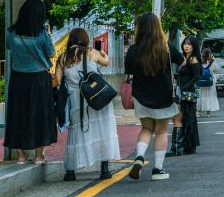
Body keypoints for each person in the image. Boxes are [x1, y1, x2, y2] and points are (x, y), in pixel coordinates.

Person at [55, 28, 119, 181]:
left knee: (77, 133)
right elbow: (106, 61)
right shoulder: (91, 52)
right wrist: (103, 53)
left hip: (77, 101)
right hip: (97, 98)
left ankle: (71, 171)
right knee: (102, 131)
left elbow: (56, 81)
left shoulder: (63, 58)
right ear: (85, 39)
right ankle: (104, 169)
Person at [125, 13, 179, 181]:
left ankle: (140, 157)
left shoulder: (134, 49)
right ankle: (157, 169)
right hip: (164, 96)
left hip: (141, 96)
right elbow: (182, 60)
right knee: (162, 131)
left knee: (146, 129)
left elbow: (128, 69)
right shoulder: (166, 47)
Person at [4, 0, 57, 164]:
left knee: (18, 114)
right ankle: (39, 156)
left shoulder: (11, 32)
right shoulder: (41, 35)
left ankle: (21, 155)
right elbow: (51, 53)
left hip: (18, 78)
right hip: (39, 79)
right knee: (40, 114)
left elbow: (8, 47)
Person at [177, 36, 202, 154]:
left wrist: (184, 87)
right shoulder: (185, 58)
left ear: (194, 46)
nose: (186, 46)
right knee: (185, 118)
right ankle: (186, 145)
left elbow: (196, 77)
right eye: (185, 44)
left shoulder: (193, 59)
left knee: (189, 118)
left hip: (189, 93)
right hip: (183, 92)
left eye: (189, 44)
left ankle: (191, 146)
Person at [197, 48, 219, 117]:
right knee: (209, 97)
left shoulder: (199, 62)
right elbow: (216, 69)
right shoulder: (211, 61)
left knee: (200, 96)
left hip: (201, 82)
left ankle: (198, 112)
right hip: (209, 82)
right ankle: (208, 113)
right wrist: (213, 60)